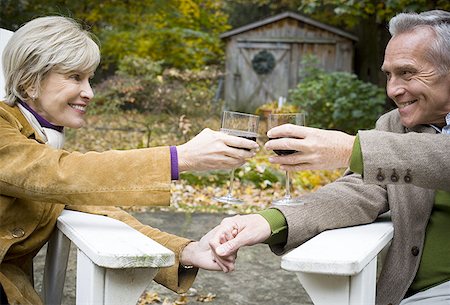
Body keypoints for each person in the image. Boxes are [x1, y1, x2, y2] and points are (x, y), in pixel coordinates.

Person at [0, 16, 258, 305]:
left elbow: (104, 212)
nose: (90, 92)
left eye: (90, 78)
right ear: (29, 82)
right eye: (75, 77)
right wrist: (180, 157)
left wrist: (186, 251)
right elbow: (58, 173)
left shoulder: (43, 139)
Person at [207, 10, 450, 305]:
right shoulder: (393, 126)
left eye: (407, 73)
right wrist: (268, 221)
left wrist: (350, 149)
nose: (393, 89)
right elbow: (357, 192)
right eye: (389, 74)